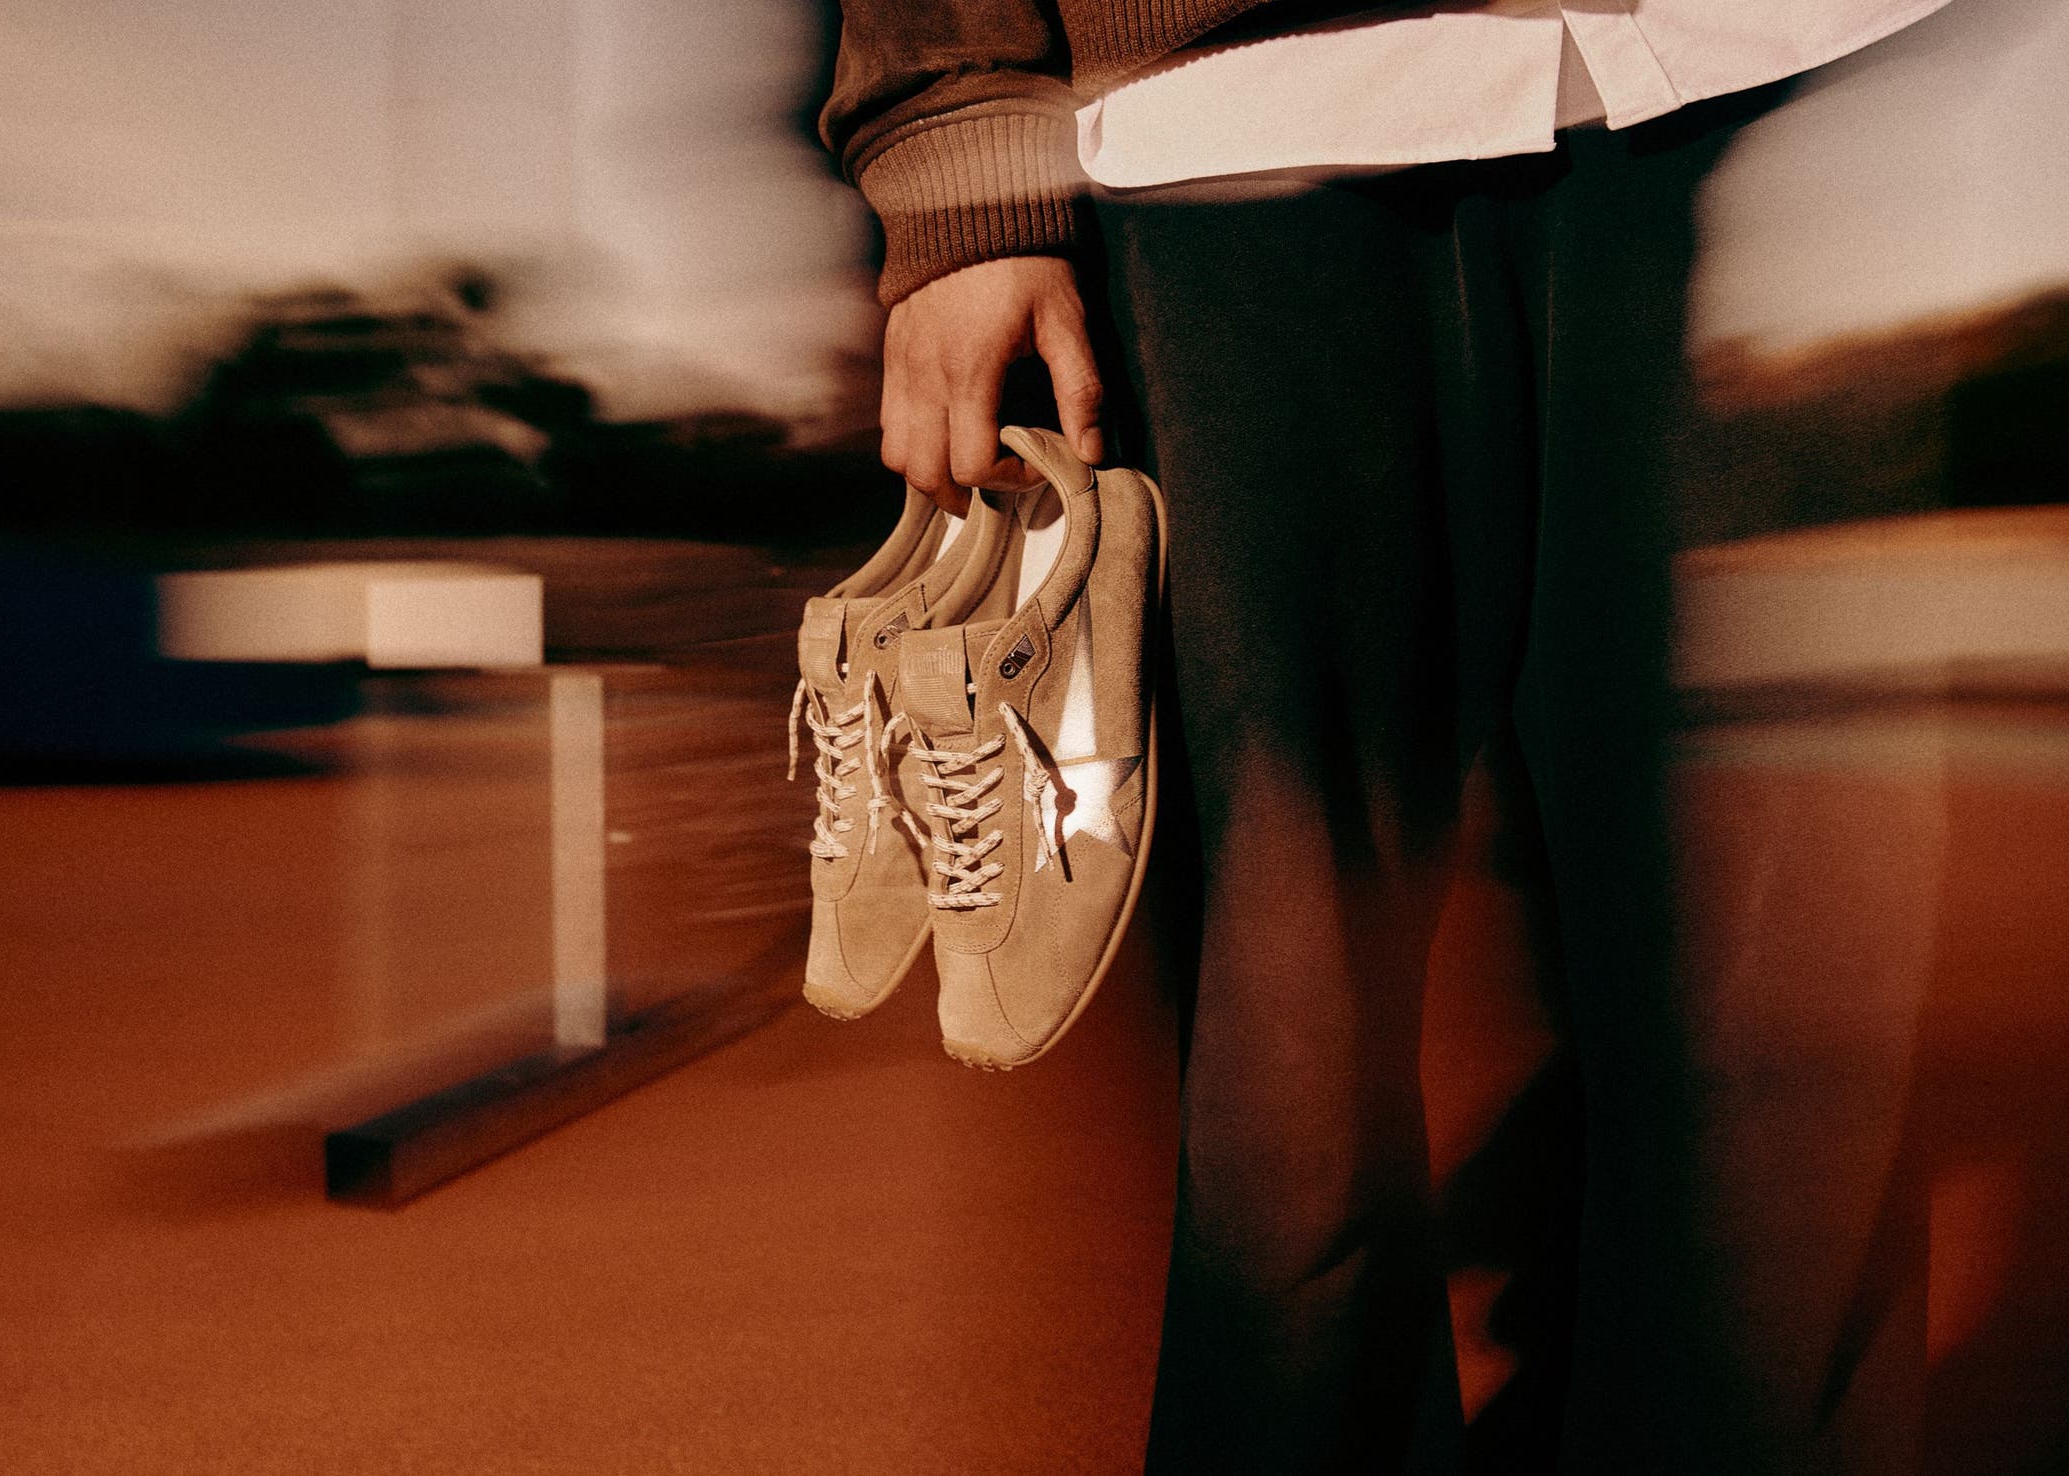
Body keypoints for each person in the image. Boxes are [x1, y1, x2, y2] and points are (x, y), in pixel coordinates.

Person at [821, 3, 1956, 1471]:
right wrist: (955, 144)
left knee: (1790, 1041)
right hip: (1239, 124)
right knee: (1288, 1064)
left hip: (1765, 64)